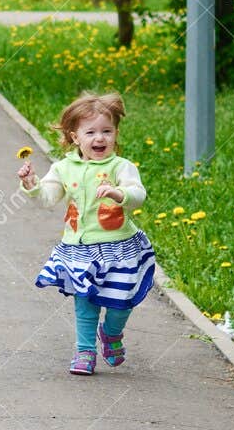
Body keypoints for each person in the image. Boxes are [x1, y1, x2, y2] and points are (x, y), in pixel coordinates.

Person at [16, 91, 156, 374]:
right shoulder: (63, 168)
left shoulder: (121, 167)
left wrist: (120, 193)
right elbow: (48, 197)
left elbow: (138, 194)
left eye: (106, 131)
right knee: (86, 302)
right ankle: (85, 351)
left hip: (119, 246)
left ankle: (113, 333)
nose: (99, 138)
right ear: (74, 136)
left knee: (120, 301)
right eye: (90, 132)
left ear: (116, 134)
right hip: (79, 248)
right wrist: (32, 184)